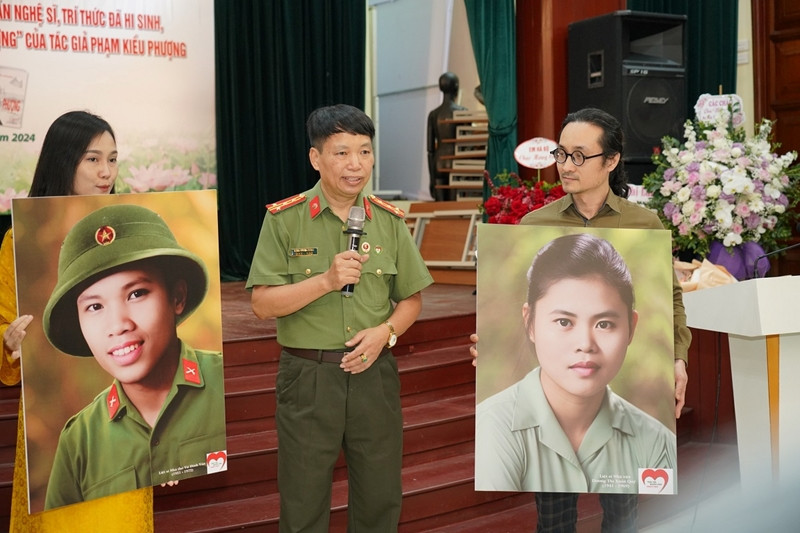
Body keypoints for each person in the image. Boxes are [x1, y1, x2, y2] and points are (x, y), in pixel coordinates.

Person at [471, 107, 691, 532]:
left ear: (610, 161)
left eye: (578, 156)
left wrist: (677, 357)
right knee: (553, 518)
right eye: (561, 154)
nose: (565, 166)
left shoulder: (643, 222)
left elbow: (672, 300)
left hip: (614, 414)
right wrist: (486, 345)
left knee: (623, 515)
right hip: (551, 404)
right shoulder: (536, 223)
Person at [246, 103, 433, 532]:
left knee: (380, 496)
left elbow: (411, 301)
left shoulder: (388, 221)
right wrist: (326, 281)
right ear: (316, 158)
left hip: (374, 374)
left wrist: (385, 333)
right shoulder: (285, 220)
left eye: (365, 152)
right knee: (304, 498)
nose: (356, 165)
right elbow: (262, 304)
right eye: (342, 152)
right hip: (309, 378)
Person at [0, 111, 151, 530]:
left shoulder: (133, 237)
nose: (107, 172)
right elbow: (5, 332)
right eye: (93, 159)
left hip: (127, 421)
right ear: (63, 161)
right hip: (55, 426)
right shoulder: (18, 239)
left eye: (113, 159)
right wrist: (10, 344)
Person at [40, 203, 226, 509]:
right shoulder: (79, 440)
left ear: (176, 297)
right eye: (95, 307)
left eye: (137, 293)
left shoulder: (223, 382)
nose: (118, 325)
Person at [475, 233, 676, 492]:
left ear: (631, 327)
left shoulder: (657, 443)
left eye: (604, 324)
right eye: (564, 322)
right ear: (530, 323)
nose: (585, 343)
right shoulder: (492, 429)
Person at [427, 72, 467, 201]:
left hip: (438, 161)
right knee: (454, 208)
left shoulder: (433, 114)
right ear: (456, 87)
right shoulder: (462, 112)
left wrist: (432, 179)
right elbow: (467, 146)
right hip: (456, 161)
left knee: (439, 209)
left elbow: (430, 150)